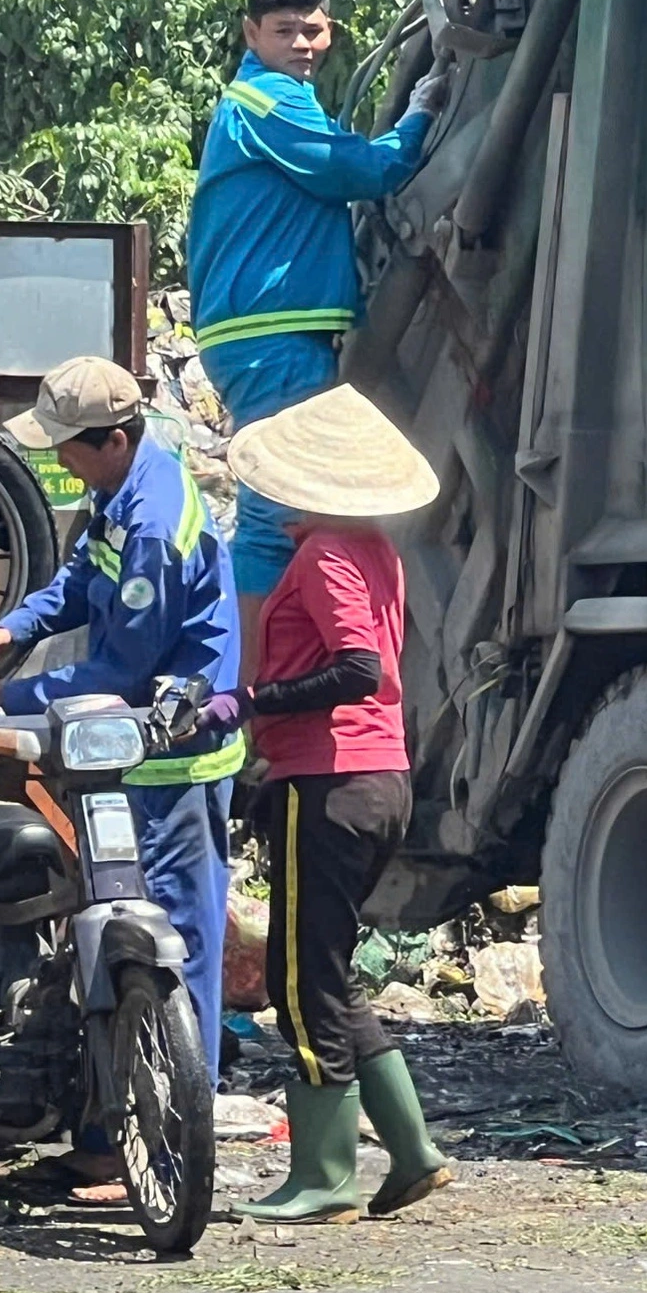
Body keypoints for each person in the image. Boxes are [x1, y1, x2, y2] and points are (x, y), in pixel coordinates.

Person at [0, 356, 242, 1082]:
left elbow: (122, 672)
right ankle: (119, 1114)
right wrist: (13, 630)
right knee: (115, 927)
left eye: (69, 447)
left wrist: (5, 698)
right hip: (126, 749)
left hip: (175, 756)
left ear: (113, 438)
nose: (63, 462)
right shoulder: (126, 488)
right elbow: (79, 581)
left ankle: (170, 1113)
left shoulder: (154, 527)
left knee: (172, 935)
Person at [200, 383, 449, 1222]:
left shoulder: (324, 558)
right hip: (376, 779)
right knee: (329, 973)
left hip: (332, 781)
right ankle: (411, 1154)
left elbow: (357, 673)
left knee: (300, 982)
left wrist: (255, 700)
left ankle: (324, 1174)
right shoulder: (376, 551)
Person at [186, 0, 449, 674]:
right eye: (284, 31)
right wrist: (419, 117)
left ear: (330, 31)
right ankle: (246, 695)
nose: (301, 43)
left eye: (311, 30)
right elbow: (357, 171)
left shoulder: (268, 99)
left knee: (282, 509)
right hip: (269, 331)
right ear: (252, 33)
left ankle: (257, 683)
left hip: (260, 331)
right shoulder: (268, 100)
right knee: (279, 512)